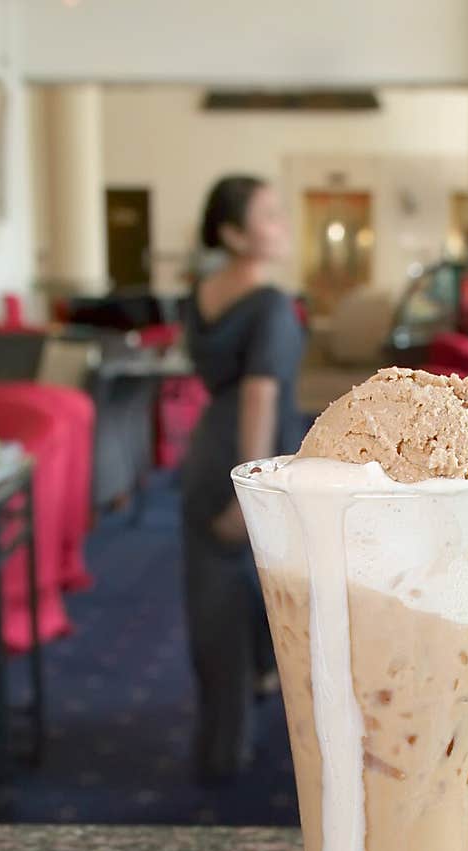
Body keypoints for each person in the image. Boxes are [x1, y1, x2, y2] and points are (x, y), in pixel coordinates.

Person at [181, 176, 305, 783]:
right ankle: (223, 757)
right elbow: (259, 396)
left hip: (205, 449)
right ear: (233, 234)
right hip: (243, 460)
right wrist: (249, 488)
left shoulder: (203, 291)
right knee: (230, 602)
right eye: (269, 216)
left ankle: (224, 736)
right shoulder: (270, 303)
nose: (282, 225)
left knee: (220, 598)